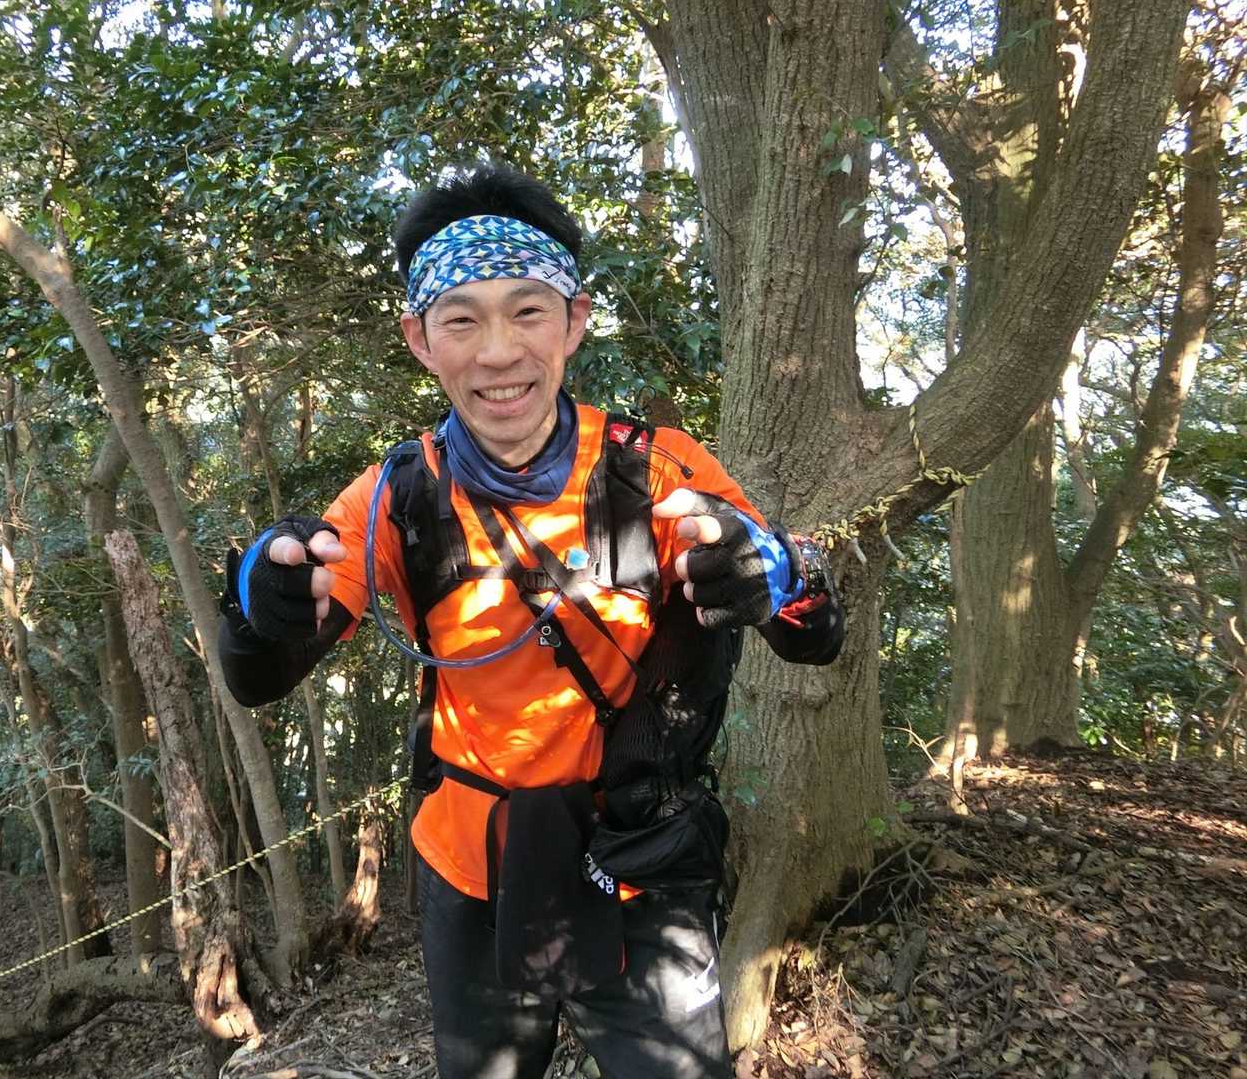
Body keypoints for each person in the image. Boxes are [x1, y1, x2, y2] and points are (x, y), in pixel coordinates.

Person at [217, 164, 844, 1078]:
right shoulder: (401, 494)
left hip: (640, 857)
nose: (499, 352)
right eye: (461, 320)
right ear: (419, 339)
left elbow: (811, 633)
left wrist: (769, 571)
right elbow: (260, 672)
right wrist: (258, 594)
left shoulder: (653, 470)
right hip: (472, 867)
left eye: (528, 311)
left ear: (574, 323)